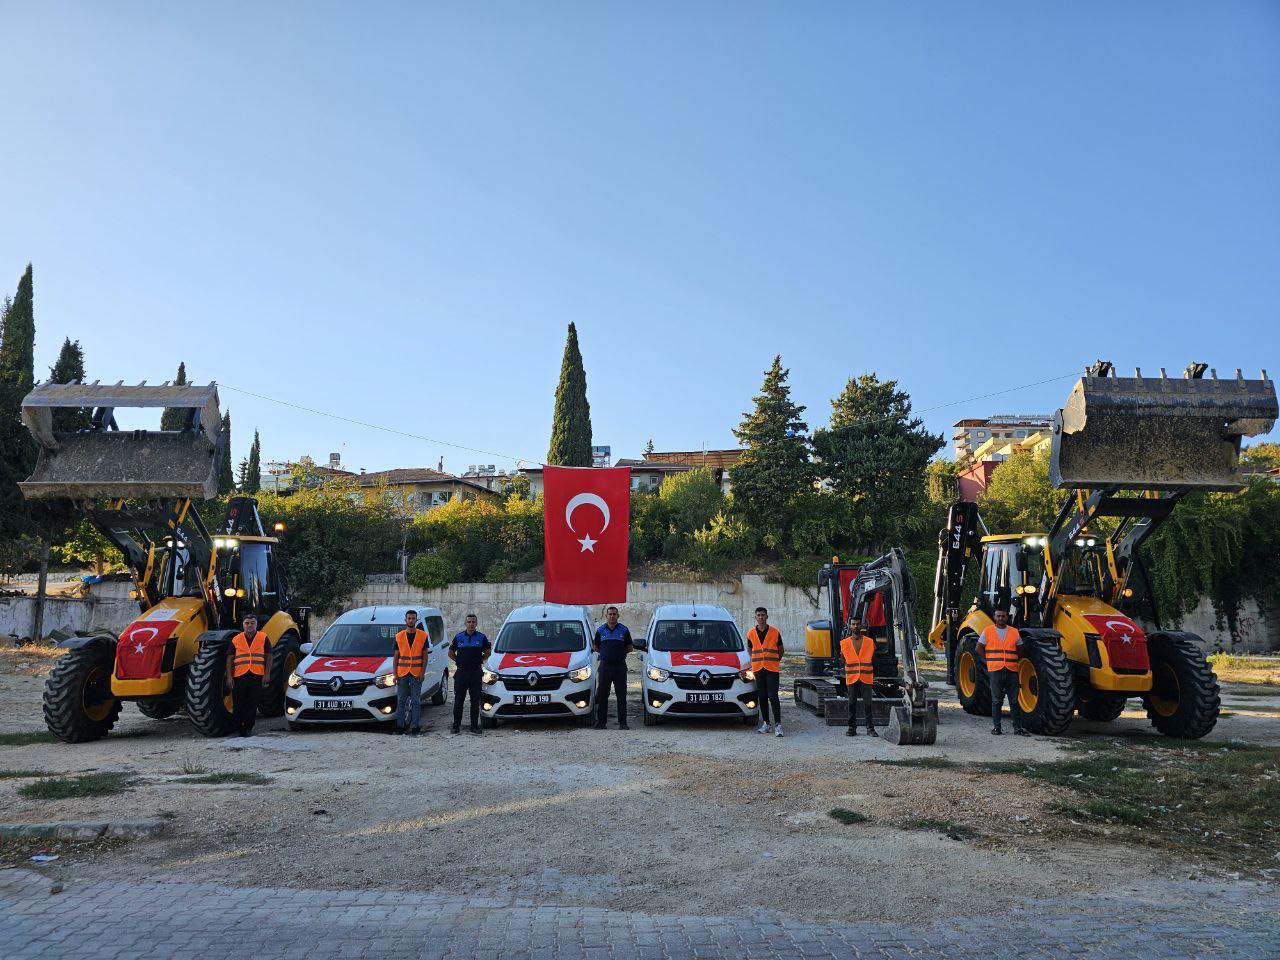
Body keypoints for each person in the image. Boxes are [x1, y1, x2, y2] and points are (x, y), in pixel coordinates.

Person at [978, 608, 1026, 736]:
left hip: (1012, 670)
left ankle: (1018, 728)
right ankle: (997, 728)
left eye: (1003, 616)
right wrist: (989, 660)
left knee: (1014, 701)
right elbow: (979, 648)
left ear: (1007, 617)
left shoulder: (1014, 632)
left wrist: (1014, 660)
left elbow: (1020, 649)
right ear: (994, 617)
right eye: (998, 616)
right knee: (996, 701)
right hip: (995, 670)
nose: (1000, 618)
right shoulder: (987, 631)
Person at [226, 613, 272, 738]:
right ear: (243, 625)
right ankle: (238, 728)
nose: (249, 625)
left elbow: (269, 656)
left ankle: (248, 728)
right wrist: (229, 677)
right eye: (247, 623)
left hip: (257, 675)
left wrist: (267, 674)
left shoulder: (263, 637)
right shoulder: (236, 639)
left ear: (256, 624)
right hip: (239, 675)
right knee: (238, 703)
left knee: (252, 703)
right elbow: (230, 658)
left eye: (252, 623)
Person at [592, 606, 634, 730]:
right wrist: (607, 654)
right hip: (605, 667)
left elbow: (630, 648)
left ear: (618, 616)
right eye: (610, 614)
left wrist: (618, 654)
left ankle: (623, 723)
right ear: (606, 616)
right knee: (602, 695)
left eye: (614, 614)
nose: (612, 616)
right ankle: (601, 723)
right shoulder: (600, 630)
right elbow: (596, 647)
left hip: (619, 667)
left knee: (621, 696)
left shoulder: (624, 630)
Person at [449, 613, 491, 735]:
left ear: (476, 623)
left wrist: (480, 660)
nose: (471, 624)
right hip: (461, 672)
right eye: (469, 622)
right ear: (465, 623)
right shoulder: (459, 637)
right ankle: (456, 726)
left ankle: (474, 726)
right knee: (458, 700)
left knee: (475, 701)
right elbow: (450, 652)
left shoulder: (481, 637)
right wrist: (458, 661)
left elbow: (488, 651)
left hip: (475, 673)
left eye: (473, 622)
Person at [747, 606, 784, 737]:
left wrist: (774, 661)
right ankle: (766, 723)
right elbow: (750, 649)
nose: (761, 617)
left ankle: (778, 725)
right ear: (755, 617)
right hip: (758, 669)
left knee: (773, 696)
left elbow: (781, 650)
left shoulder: (775, 632)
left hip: (772, 668)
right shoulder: (751, 633)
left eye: (763, 615)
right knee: (762, 696)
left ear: (767, 617)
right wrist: (755, 660)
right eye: (758, 615)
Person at [840, 615, 878, 737]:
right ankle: (851, 728)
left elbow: (873, 658)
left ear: (861, 625)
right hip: (852, 677)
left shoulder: (869, 642)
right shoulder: (844, 643)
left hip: (866, 677)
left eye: (857, 624)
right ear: (849, 626)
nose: (855, 626)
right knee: (851, 703)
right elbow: (843, 659)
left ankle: (870, 728)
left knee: (868, 704)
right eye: (853, 624)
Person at [393, 609, 429, 735]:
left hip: (416, 673)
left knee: (416, 701)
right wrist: (395, 674)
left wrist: (422, 673)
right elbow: (396, 657)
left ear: (416, 620)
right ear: (405, 620)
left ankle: (415, 727)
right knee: (401, 700)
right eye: (409, 618)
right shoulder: (399, 636)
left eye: (413, 618)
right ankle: (400, 726)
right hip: (402, 673)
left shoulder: (423, 636)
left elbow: (425, 657)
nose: (411, 620)